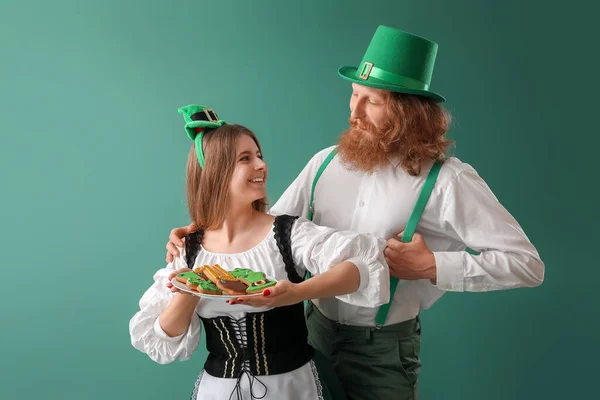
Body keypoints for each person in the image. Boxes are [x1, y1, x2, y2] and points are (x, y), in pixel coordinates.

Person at [165, 26, 545, 400]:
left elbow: (526, 265)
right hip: (309, 337)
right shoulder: (324, 164)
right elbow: (264, 234)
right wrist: (203, 234)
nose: (354, 112)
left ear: (407, 113)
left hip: (381, 351)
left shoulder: (447, 181)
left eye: (371, 101)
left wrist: (432, 266)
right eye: (353, 94)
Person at [129, 104, 391, 400]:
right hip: (218, 391)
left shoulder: (287, 234)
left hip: (294, 388)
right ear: (216, 172)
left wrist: (296, 292)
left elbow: (363, 267)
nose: (261, 165)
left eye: (259, 156)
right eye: (245, 159)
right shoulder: (187, 249)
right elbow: (162, 338)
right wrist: (187, 291)